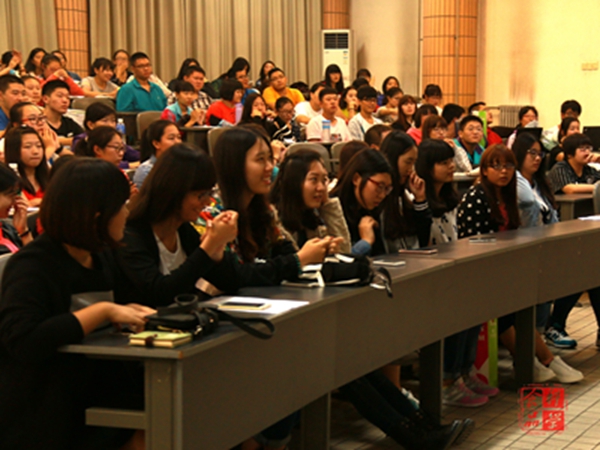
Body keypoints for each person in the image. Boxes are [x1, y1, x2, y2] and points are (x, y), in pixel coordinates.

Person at [0, 157, 154, 449]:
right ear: (96, 215)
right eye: (120, 206)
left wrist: (129, 311)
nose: (126, 213)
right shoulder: (33, 265)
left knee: (178, 406)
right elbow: (23, 340)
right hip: (48, 406)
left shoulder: (101, 255)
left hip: (98, 387)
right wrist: (102, 311)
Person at [457, 144, 584, 384]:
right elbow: (473, 243)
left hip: (502, 268)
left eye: (508, 166)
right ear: (484, 170)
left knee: (520, 301)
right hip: (478, 270)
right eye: (496, 166)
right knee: (507, 306)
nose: (504, 171)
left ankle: (541, 359)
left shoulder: (507, 196)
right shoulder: (476, 197)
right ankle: (540, 360)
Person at [416, 139, 496, 407]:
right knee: (456, 310)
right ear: (426, 167)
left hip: (453, 267)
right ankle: (447, 382)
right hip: (430, 274)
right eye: (443, 162)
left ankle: (463, 372)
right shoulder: (418, 201)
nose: (451, 166)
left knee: (473, 308)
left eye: (451, 161)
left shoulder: (451, 199)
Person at [119, 144, 240, 308]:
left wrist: (217, 251)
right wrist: (208, 246)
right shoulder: (130, 234)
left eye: (209, 193)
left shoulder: (182, 229)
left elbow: (230, 283)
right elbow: (160, 294)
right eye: (200, 195)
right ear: (173, 192)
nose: (207, 202)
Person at [513, 133, 558, 336]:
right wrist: (518, 172)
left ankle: (545, 330)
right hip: (524, 249)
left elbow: (552, 216)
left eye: (540, 154)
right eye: (532, 153)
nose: (537, 158)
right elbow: (527, 201)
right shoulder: (516, 182)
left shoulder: (539, 184)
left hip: (545, 247)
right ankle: (535, 336)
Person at [271, 149, 350, 252]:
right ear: (293, 183)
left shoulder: (311, 220)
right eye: (314, 179)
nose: (321, 188)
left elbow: (345, 251)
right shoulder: (273, 221)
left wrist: (327, 203)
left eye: (323, 180)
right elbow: (294, 259)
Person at [71, 102, 140, 168]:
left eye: (113, 121)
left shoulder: (114, 138)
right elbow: (89, 163)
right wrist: (128, 165)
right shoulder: (83, 140)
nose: (110, 125)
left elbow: (135, 155)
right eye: (105, 121)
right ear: (90, 124)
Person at [4, 126, 49, 206]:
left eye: (39, 146)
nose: (35, 151)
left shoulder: (51, 176)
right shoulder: (8, 180)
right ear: (14, 150)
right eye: (27, 147)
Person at [133, 120, 181, 188]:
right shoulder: (146, 171)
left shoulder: (182, 165)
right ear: (156, 144)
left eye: (179, 137)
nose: (177, 142)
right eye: (171, 138)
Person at [0, 163, 33, 250]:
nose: (16, 201)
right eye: (11, 194)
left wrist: (23, 231)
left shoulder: (7, 228)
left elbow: (35, 258)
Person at [42, 79, 84, 148]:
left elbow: (84, 139)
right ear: (45, 99)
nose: (65, 100)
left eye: (67, 97)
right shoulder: (38, 123)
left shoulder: (69, 123)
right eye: (60, 96)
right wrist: (70, 141)